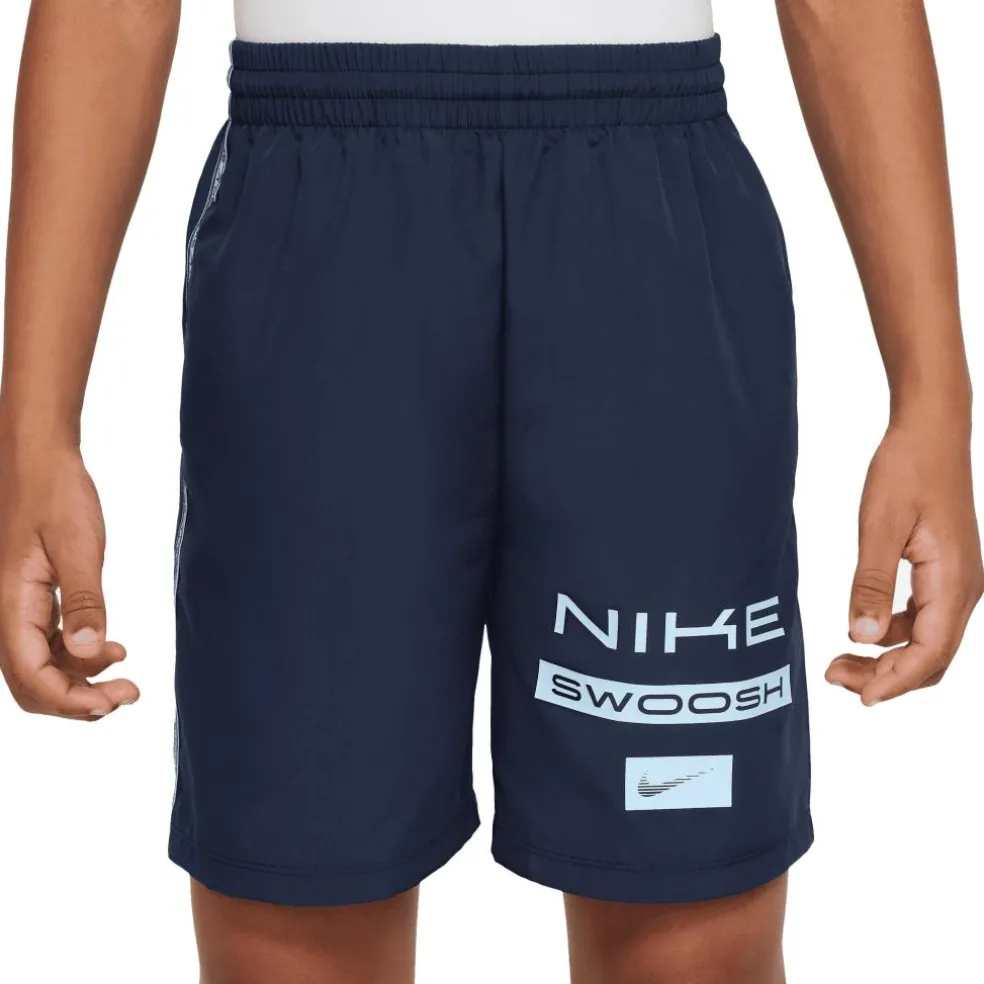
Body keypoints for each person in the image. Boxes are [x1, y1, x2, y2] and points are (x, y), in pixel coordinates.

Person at [0, 1, 979, 982]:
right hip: (319, 228)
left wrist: (934, 399)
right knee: (292, 928)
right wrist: (33, 433)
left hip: (647, 219)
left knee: (692, 938)